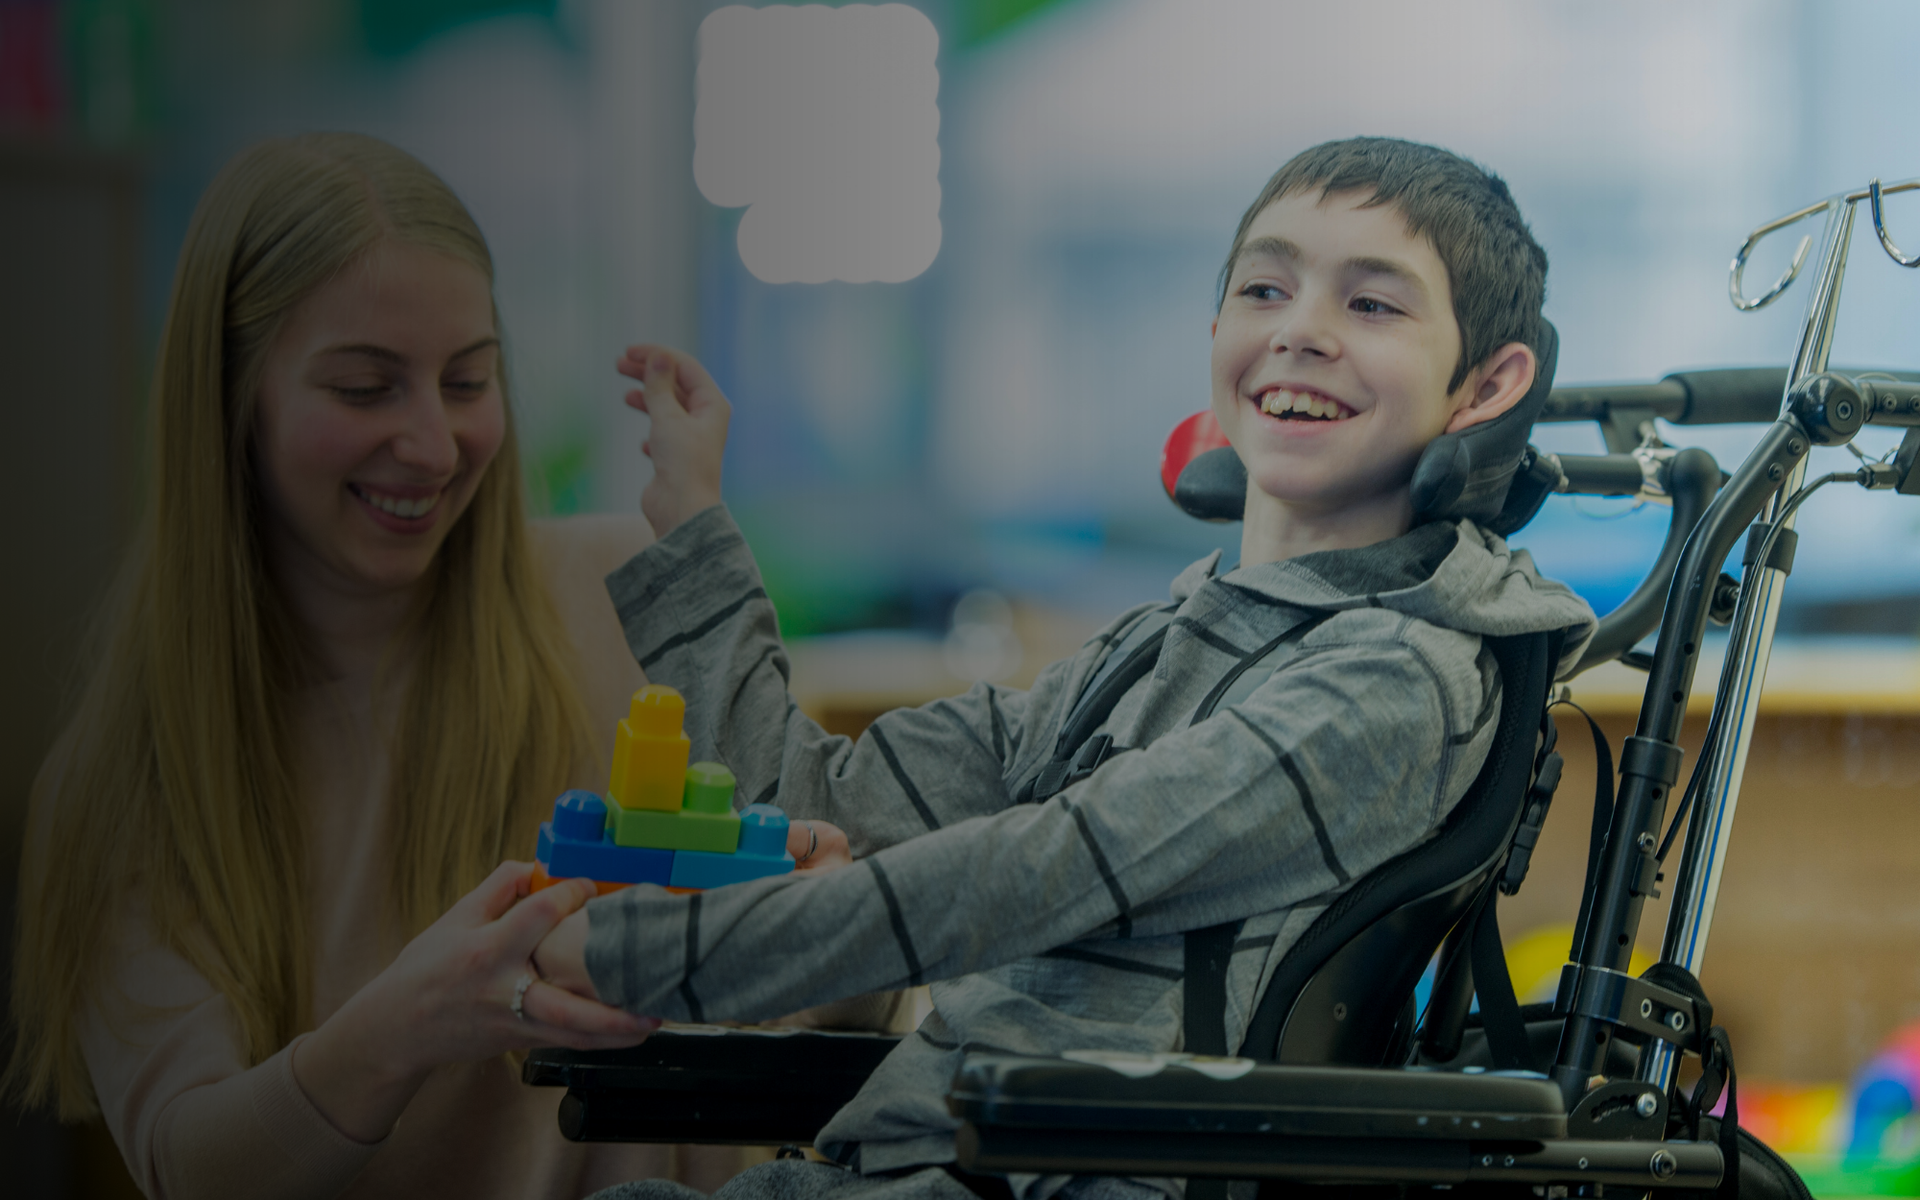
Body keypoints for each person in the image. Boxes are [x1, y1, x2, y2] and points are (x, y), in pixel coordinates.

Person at [534, 137, 1600, 1200]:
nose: (1300, 332)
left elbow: (1048, 867)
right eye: (1265, 288)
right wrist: (691, 526)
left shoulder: (1399, 681)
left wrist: (655, 956)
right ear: (1218, 332)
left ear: (1487, 385)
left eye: (1372, 306)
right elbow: (805, 802)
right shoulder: (1161, 643)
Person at [4, 131, 856, 1200]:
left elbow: (802, 1029)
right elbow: (192, 1167)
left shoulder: (629, 593)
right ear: (232, 405)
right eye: (366, 388)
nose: (434, 445)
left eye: (467, 382)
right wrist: (409, 1026)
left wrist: (848, 937)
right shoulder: (120, 787)